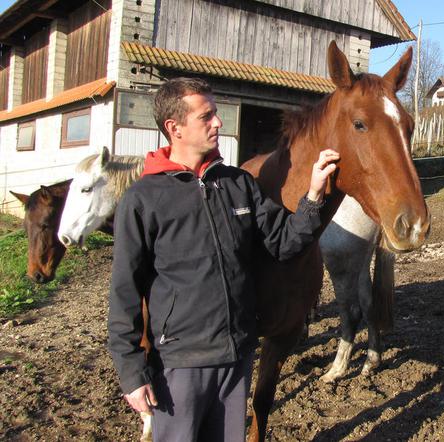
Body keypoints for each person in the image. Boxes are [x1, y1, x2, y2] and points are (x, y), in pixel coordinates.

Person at [107, 77, 339, 441]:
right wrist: (131, 372)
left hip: (235, 357)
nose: (218, 122)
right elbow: (125, 291)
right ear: (174, 128)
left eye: (215, 113)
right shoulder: (143, 199)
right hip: (179, 364)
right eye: (206, 116)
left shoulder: (237, 184)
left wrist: (312, 196)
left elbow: (283, 242)